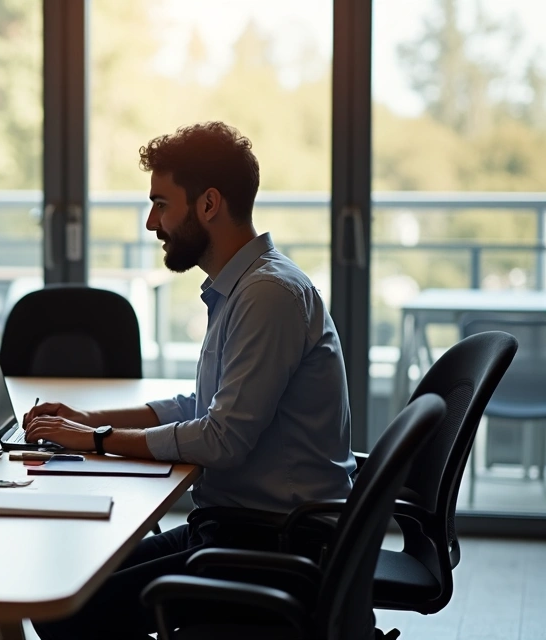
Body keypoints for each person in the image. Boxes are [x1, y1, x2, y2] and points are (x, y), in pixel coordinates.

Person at [22, 122, 356, 638]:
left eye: (161, 203)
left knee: (70, 612)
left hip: (274, 542)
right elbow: (201, 405)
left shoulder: (268, 296)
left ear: (208, 205)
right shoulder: (241, 288)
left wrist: (95, 441)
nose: (152, 222)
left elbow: (223, 440)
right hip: (233, 526)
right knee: (71, 591)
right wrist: (90, 420)